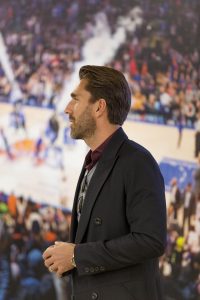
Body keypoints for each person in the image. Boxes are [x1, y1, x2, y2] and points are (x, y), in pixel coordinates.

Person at [43, 65, 167, 300]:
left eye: (76, 100)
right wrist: (69, 258)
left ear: (99, 107)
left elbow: (151, 241)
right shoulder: (93, 159)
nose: (68, 109)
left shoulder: (138, 161)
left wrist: (76, 256)